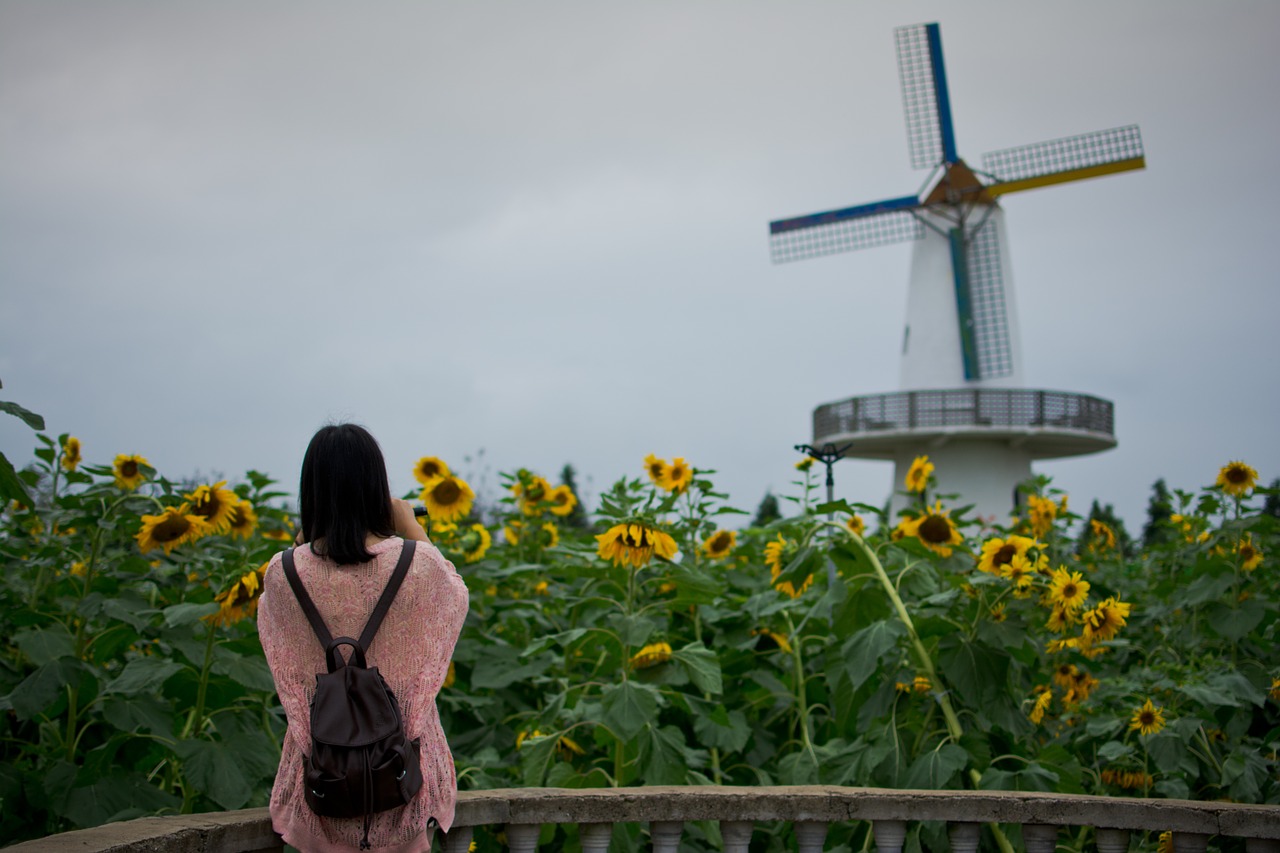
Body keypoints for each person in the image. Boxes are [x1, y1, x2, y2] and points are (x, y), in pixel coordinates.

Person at [258, 424, 469, 852]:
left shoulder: (283, 573)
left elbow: (282, 643)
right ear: (377, 484)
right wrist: (409, 523)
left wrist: (308, 536)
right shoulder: (418, 563)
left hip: (321, 779)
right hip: (403, 772)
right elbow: (455, 592)